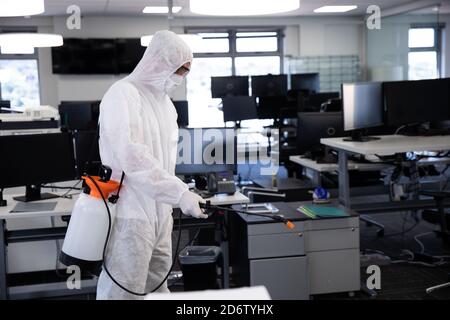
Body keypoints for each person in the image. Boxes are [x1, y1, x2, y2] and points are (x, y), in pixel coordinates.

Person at [96, 30, 208, 300]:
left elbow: (163, 161)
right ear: (158, 62)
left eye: (185, 72)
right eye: (178, 70)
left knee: (158, 289)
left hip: (161, 213)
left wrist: (174, 196)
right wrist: (179, 193)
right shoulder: (122, 95)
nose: (180, 78)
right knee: (124, 292)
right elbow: (133, 157)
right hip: (130, 213)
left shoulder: (166, 105)